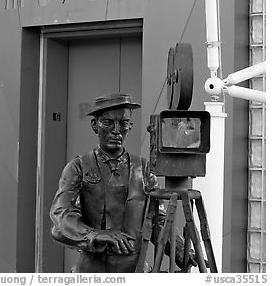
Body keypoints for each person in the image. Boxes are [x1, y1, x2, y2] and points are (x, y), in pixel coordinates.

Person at [50, 93, 196, 273]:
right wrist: (96, 235)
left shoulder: (143, 169)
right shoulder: (78, 167)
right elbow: (61, 216)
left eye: (123, 123)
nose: (116, 130)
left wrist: (181, 251)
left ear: (130, 126)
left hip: (135, 272)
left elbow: (158, 220)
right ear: (95, 125)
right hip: (91, 274)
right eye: (108, 123)